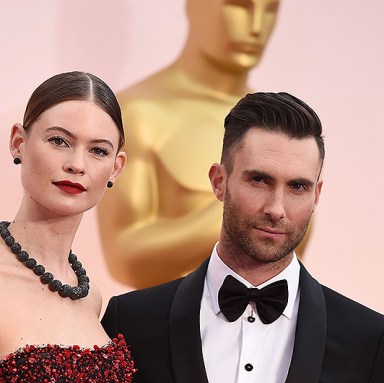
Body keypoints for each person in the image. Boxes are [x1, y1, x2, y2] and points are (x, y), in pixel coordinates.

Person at [102, 91, 384, 383]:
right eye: (259, 180)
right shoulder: (130, 321)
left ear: (317, 194)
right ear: (219, 182)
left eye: (298, 187)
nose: (276, 208)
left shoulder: (367, 340)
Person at [97, 0, 315, 290]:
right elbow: (124, 259)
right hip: (165, 325)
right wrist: (241, 208)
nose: (256, 27)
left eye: (270, 9)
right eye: (238, 6)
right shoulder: (138, 113)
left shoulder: (285, 129)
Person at [0, 71, 135, 383]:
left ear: (116, 167)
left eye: (97, 151)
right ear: (19, 142)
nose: (76, 164)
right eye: (59, 141)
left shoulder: (89, 297)